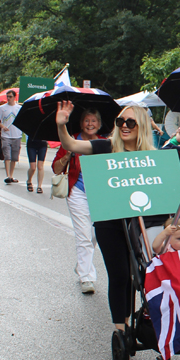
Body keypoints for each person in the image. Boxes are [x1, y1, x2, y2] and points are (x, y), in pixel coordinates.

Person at [56, 101, 155, 330]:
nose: (125, 126)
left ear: (141, 125)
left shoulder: (150, 155)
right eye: (121, 122)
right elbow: (70, 143)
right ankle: (121, 329)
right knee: (119, 275)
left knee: (136, 276)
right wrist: (62, 125)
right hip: (109, 222)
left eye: (131, 122)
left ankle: (131, 319)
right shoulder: (104, 147)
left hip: (139, 223)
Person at [52, 109, 105, 294]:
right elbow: (56, 169)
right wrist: (68, 154)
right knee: (83, 235)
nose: (90, 124)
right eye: (86, 120)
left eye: (94, 121)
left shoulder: (105, 142)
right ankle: (86, 277)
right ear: (81, 123)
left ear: (99, 124)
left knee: (94, 235)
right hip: (77, 192)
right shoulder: (71, 140)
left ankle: (82, 264)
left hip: (100, 194)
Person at [0, 90, 22, 183]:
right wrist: (3, 127)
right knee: (7, 156)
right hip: (6, 135)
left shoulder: (19, 108)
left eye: (10, 96)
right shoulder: (2, 108)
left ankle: (11, 175)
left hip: (17, 135)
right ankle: (8, 176)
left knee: (14, 157)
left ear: (15, 97)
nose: (8, 98)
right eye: (7, 96)